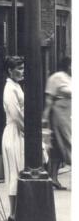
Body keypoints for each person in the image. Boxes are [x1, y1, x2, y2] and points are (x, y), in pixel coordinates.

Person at [1, 55, 25, 221]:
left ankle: (18, 212)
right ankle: (13, 214)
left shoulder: (16, 86)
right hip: (14, 131)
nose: (22, 71)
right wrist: (28, 131)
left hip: (19, 131)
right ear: (10, 70)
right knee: (14, 171)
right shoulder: (9, 88)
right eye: (19, 68)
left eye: (23, 68)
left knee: (20, 170)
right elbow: (16, 114)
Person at [42, 56, 71, 190]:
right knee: (67, 143)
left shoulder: (70, 77)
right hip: (60, 115)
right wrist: (45, 117)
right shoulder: (56, 77)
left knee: (58, 149)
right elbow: (49, 99)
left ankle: (53, 178)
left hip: (69, 114)